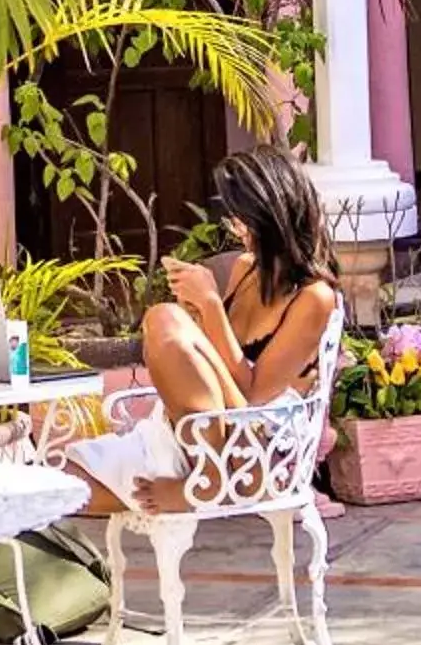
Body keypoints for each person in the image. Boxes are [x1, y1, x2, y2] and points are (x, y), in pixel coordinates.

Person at [70, 146, 341, 514]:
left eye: (240, 220)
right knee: (63, 484)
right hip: (197, 428)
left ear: (268, 214)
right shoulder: (246, 269)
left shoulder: (314, 298)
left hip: (251, 443)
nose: (236, 230)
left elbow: (253, 393)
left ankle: (209, 481)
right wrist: (193, 318)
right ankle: (201, 478)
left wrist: (211, 305)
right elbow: (214, 365)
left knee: (164, 318)